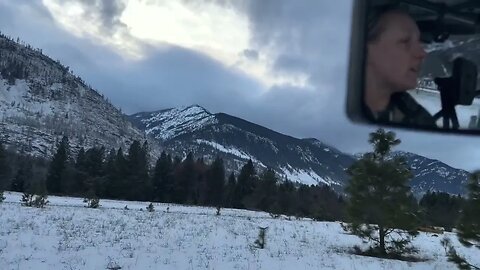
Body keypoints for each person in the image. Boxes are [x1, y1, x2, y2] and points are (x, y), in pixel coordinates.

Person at [364, 5, 437, 127]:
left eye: (419, 42)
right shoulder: (328, 112)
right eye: (405, 41)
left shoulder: (417, 117)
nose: (422, 53)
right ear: (364, 49)